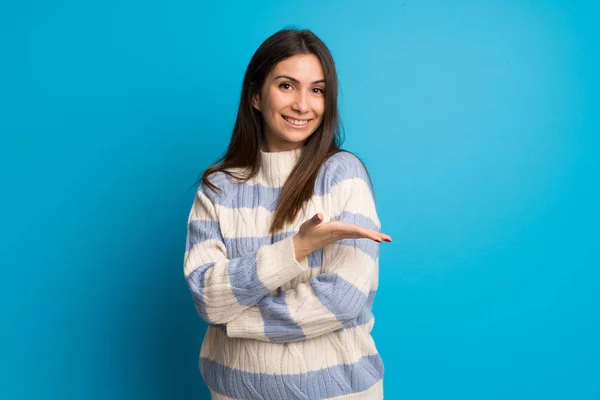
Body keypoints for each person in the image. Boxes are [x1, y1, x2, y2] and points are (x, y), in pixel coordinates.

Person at [183, 28, 392, 400]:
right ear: (256, 96)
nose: (302, 105)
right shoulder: (217, 186)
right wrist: (296, 248)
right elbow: (207, 297)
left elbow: (341, 301)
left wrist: (233, 319)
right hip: (236, 391)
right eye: (286, 86)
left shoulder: (342, 175)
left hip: (337, 393)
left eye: (317, 90)